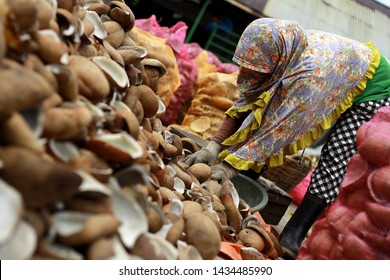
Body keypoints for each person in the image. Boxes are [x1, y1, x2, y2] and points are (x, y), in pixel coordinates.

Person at [182, 18, 390, 259]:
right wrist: (214, 146)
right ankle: (243, 186)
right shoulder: (280, 51)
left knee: (335, 156)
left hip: (373, 87)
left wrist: (229, 167)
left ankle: (295, 233)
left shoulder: (309, 74)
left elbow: (280, 129)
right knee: (264, 112)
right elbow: (249, 99)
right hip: (339, 69)